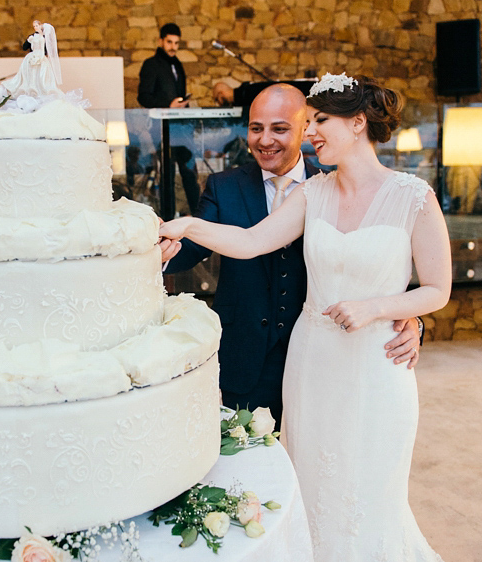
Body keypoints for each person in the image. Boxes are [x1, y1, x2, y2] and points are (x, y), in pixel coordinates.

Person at [160, 74, 451, 560]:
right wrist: (189, 224)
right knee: (311, 478)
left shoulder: (414, 197)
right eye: (310, 120)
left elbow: (438, 289)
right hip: (313, 362)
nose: (310, 131)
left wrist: (383, 309)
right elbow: (252, 242)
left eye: (319, 121)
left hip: (377, 366)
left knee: (373, 488)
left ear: (358, 123)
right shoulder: (313, 193)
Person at [161, 83, 422, 427]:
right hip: (245, 360)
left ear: (304, 129)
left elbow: (382, 266)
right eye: (256, 128)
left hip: (325, 359)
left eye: (280, 129)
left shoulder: (333, 187)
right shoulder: (224, 187)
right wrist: (150, 251)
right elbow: (202, 245)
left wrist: (411, 321)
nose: (265, 139)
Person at [137, 22, 200, 214]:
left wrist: (182, 105)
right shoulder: (151, 64)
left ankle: (200, 217)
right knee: (168, 176)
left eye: (176, 43)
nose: (173, 46)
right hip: (162, 129)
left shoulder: (178, 65)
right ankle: (168, 219)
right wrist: (168, 104)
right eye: (170, 42)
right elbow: (143, 96)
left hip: (181, 129)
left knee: (190, 174)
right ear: (160, 41)